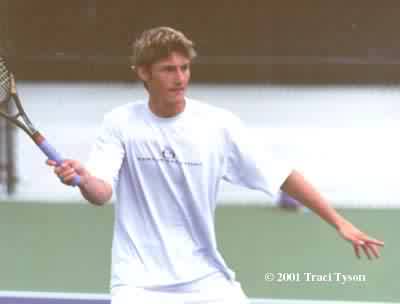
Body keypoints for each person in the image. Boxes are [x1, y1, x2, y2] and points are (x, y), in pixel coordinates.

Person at [47, 26, 384, 304]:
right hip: (138, 284)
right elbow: (101, 192)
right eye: (168, 69)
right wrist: (81, 178)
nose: (180, 78)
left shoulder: (218, 125)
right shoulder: (119, 123)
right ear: (143, 72)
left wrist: (339, 223)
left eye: (184, 68)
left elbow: (283, 175)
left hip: (207, 280)